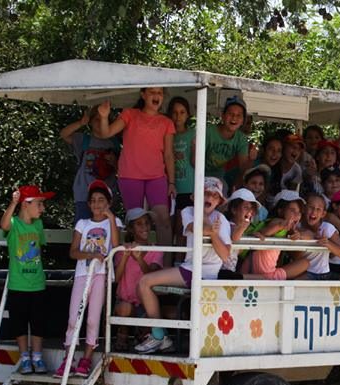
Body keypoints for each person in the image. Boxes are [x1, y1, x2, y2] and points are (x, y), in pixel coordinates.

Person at [135, 177, 232, 353]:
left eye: (214, 195)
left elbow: (225, 255)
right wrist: (211, 230)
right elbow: (195, 228)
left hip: (207, 273)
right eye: (205, 193)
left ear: (219, 201)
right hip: (190, 269)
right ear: (196, 197)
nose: (209, 198)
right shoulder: (188, 211)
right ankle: (159, 335)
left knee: (144, 282)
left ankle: (159, 336)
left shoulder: (222, 219)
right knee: (144, 282)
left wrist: (213, 235)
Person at [96, 89, 175, 249]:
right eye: (152, 92)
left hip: (156, 176)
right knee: (134, 221)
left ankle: (165, 266)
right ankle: (132, 264)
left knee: (164, 220)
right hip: (130, 175)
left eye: (160, 93)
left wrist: (172, 182)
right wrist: (104, 117)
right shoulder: (130, 114)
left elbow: (168, 154)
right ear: (143, 95)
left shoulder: (166, 122)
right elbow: (106, 133)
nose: (156, 96)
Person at [58, 180, 121, 377]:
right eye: (93, 200)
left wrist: (111, 219)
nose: (97, 204)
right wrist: (91, 255)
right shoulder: (82, 224)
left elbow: (117, 246)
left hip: (101, 275)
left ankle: (86, 359)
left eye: (101, 200)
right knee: (73, 318)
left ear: (109, 203)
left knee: (93, 319)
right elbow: (73, 252)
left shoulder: (115, 222)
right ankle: (68, 358)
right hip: (82, 274)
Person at [0, 185, 54, 374]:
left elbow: (38, 248)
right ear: (26, 204)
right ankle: (24, 358)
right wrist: (13, 203)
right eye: (39, 204)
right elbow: (4, 225)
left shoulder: (38, 225)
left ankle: (37, 357)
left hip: (37, 283)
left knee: (38, 322)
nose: (43, 209)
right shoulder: (14, 223)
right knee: (19, 323)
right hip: (18, 284)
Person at [113, 208, 163, 350]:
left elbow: (151, 276)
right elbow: (116, 278)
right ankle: (123, 333)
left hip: (146, 304)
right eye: (139, 224)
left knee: (152, 317)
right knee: (125, 307)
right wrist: (126, 257)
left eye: (147, 223)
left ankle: (142, 334)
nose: (144, 227)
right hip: (125, 302)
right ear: (130, 229)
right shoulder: (121, 250)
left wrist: (140, 259)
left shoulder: (156, 249)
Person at [59, 105, 118, 224]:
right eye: (97, 119)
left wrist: (115, 163)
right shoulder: (84, 139)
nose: (100, 123)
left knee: (106, 230)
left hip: (107, 196)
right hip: (84, 195)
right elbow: (64, 134)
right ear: (90, 122)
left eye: (103, 119)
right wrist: (80, 123)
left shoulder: (115, 143)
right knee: (82, 228)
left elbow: (121, 169)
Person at [243, 190, 309, 280]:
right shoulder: (277, 221)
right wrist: (280, 226)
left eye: (299, 212)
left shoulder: (288, 230)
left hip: (261, 270)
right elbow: (264, 232)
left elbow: (298, 255)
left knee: (305, 264)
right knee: (306, 263)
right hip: (264, 273)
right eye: (292, 210)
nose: (297, 214)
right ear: (280, 211)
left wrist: (296, 234)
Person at [204, 95, 251, 190]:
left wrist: (251, 159)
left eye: (239, 115)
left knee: (223, 189)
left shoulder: (241, 139)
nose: (234, 117)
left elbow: (243, 168)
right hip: (198, 175)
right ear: (223, 116)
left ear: (243, 120)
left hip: (218, 178)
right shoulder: (208, 131)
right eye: (230, 113)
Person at [297, 193, 340, 280]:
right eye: (311, 207)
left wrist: (328, 243)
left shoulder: (327, 227)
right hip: (303, 272)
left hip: (323, 274)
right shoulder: (297, 226)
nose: (314, 212)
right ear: (304, 209)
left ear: (323, 214)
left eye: (318, 209)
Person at [220, 187, 261, 278]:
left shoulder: (242, 229)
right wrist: (243, 227)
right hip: (221, 270)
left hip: (230, 270)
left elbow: (236, 251)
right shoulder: (228, 225)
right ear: (234, 210)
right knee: (262, 279)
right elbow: (234, 237)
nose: (250, 211)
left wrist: (251, 236)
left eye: (252, 208)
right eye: (246, 207)